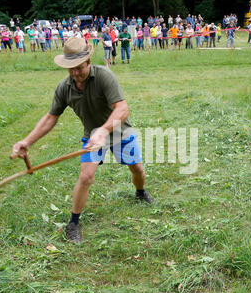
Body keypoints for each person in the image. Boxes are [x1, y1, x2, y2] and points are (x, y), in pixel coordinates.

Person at [11, 37, 153, 243]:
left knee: (137, 169)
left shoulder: (104, 76)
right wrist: (27, 141)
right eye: (71, 69)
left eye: (79, 68)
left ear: (88, 62)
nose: (76, 73)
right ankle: (73, 222)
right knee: (86, 177)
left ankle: (140, 193)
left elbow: (122, 108)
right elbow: (51, 117)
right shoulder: (64, 88)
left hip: (120, 132)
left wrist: (103, 131)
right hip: (92, 136)